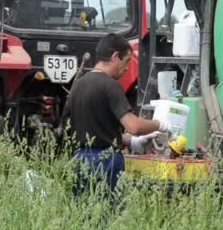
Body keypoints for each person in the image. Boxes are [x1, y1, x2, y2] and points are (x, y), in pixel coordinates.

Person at [67, 33, 172, 195]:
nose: (128, 67)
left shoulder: (78, 85)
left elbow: (94, 130)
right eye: (127, 61)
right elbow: (134, 126)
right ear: (115, 56)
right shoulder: (110, 86)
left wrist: (130, 142)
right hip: (106, 162)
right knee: (107, 215)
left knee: (83, 215)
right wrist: (160, 124)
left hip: (79, 160)